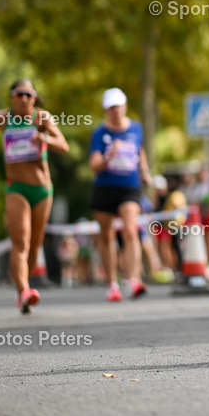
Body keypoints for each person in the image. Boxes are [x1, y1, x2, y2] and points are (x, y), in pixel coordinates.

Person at [0, 79, 69, 313]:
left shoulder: (41, 117)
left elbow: (64, 145)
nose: (23, 98)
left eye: (27, 94)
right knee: (20, 242)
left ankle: (25, 286)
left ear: (34, 98)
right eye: (18, 94)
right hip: (16, 188)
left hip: (42, 190)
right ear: (12, 97)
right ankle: (23, 291)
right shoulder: (3, 117)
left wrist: (46, 139)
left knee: (34, 245)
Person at [89, 87, 153, 302]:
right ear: (106, 110)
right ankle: (112, 284)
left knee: (130, 230)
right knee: (106, 237)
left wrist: (145, 171)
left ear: (125, 106)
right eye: (110, 108)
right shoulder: (100, 133)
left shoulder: (136, 128)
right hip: (105, 187)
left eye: (118, 106)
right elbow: (94, 165)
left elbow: (140, 150)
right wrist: (109, 157)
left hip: (129, 187)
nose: (115, 111)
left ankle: (133, 280)